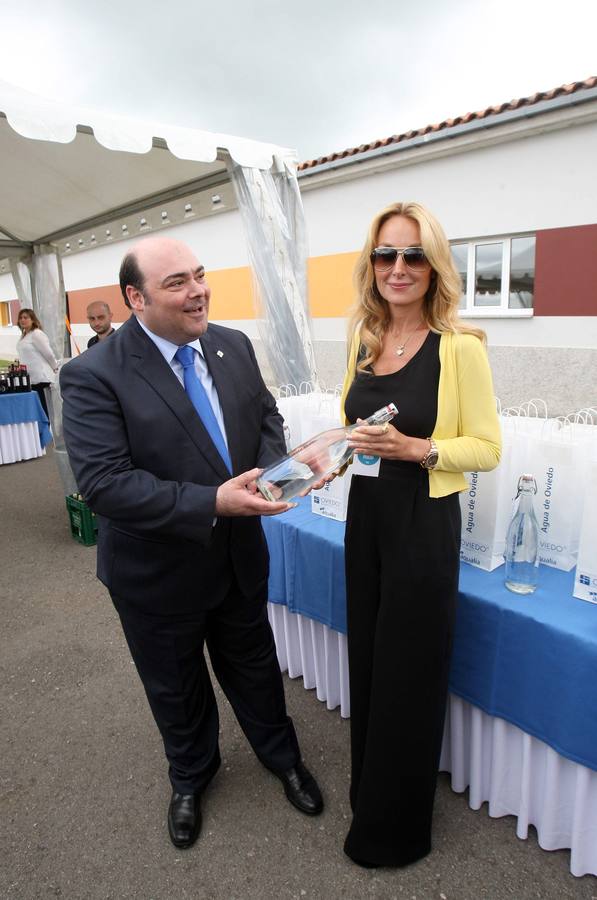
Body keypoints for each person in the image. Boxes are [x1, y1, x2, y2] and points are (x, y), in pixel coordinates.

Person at [60, 236, 323, 850]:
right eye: (177, 281)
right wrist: (212, 502)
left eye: (200, 276)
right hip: (155, 575)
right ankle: (191, 777)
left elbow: (266, 420)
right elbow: (104, 483)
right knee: (176, 686)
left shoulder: (233, 345)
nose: (198, 290)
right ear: (135, 297)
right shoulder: (93, 373)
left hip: (237, 558)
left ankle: (282, 758)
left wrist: (273, 472)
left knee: (255, 666)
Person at [338, 201, 501, 868]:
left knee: (408, 673)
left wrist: (419, 450)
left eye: (412, 256)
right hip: (365, 515)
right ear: (370, 265)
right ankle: (368, 793)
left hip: (421, 524)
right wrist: (329, 458)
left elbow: (486, 448)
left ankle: (396, 829)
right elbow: (354, 428)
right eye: (385, 255)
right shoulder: (364, 340)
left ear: (434, 268)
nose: (397, 268)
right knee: (370, 662)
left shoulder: (459, 347)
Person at [16, 308, 58, 417]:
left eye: (26, 317)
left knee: (43, 409)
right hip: (30, 379)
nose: (22, 320)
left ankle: (46, 432)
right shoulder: (25, 335)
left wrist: (54, 367)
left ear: (33, 320)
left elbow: (48, 353)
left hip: (40, 378)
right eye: (20, 318)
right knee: (36, 409)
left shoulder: (37, 334)